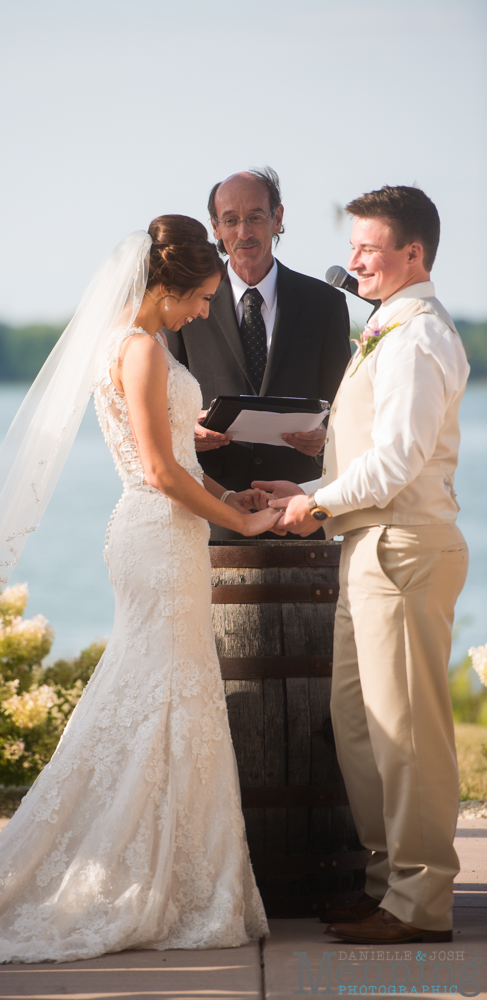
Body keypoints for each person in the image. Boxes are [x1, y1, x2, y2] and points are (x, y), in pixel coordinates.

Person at [0, 216, 281, 967]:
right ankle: (159, 880)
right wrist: (241, 522)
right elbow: (159, 474)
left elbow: (156, 448)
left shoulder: (125, 347)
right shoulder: (139, 349)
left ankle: (166, 871)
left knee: (157, 695)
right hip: (159, 534)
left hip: (155, 533)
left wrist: (203, 451)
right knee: (167, 695)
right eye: (198, 298)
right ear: (164, 287)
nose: (203, 311)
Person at [257, 186, 469, 944]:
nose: (352, 261)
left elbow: (398, 465)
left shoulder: (415, 338)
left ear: (412, 254)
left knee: (407, 734)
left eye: (369, 248)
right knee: (362, 727)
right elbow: (372, 463)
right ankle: (387, 888)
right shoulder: (388, 328)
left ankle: (420, 906)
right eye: (352, 247)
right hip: (369, 544)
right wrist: (310, 490)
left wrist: (310, 507)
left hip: (403, 549)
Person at [166, 168, 351, 539]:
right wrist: (188, 431)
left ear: (277, 218)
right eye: (231, 221)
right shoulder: (182, 307)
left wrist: (325, 438)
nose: (244, 233)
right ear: (215, 228)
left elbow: (344, 409)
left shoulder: (325, 304)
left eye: (255, 218)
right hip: (208, 521)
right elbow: (161, 412)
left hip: (299, 521)